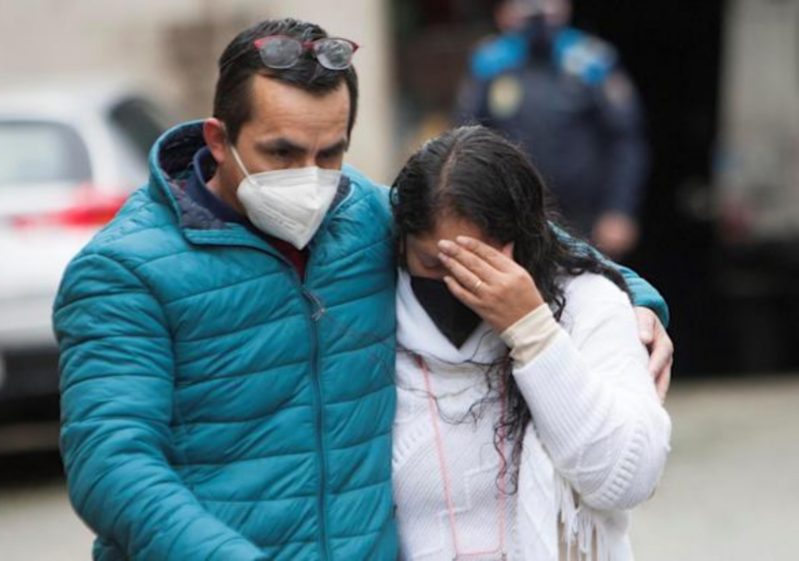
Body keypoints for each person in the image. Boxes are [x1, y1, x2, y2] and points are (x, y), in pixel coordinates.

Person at [53, 18, 671, 561]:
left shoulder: (362, 215)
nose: (309, 179)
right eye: (281, 153)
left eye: (330, 153)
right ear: (218, 140)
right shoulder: (124, 271)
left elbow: (512, 232)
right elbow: (112, 466)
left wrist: (636, 300)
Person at [390, 125, 670, 561]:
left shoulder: (587, 305)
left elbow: (627, 478)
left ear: (521, 242)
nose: (458, 281)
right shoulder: (373, 321)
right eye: (434, 263)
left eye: (478, 261)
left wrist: (532, 332)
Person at [455, 0, 649, 259]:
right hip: (511, 213)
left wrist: (619, 209)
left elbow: (625, 140)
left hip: (585, 217)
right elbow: (465, 138)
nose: (536, 11)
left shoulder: (592, 60)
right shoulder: (490, 61)